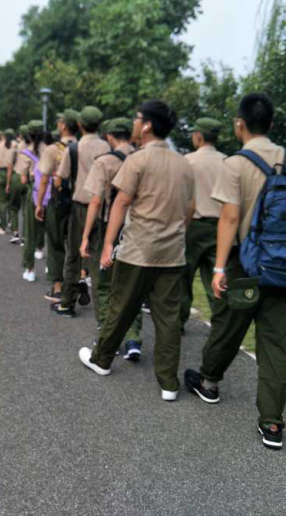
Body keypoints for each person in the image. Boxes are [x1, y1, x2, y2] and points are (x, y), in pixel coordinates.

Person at [185, 93, 286, 450]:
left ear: (239, 124)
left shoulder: (236, 163)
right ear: (270, 123)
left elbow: (229, 218)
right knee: (276, 342)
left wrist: (218, 267)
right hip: (281, 264)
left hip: (245, 262)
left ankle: (209, 382)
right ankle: (272, 422)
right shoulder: (284, 156)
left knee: (229, 325)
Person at [79, 100, 195, 402]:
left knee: (121, 307)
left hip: (138, 251)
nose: (133, 122)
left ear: (147, 126)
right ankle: (169, 383)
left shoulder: (138, 160)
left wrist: (108, 242)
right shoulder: (184, 163)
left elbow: (121, 202)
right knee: (168, 319)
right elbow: (190, 209)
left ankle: (102, 359)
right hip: (172, 253)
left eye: (137, 117)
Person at [80, 118, 143, 360]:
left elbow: (95, 201)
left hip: (109, 227)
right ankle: (133, 338)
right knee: (131, 286)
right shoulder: (143, 159)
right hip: (137, 227)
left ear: (109, 137)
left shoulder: (104, 162)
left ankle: (109, 337)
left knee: (104, 283)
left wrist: (85, 236)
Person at [51, 106, 110, 317]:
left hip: (80, 207)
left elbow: (60, 179)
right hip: (104, 207)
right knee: (99, 257)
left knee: (74, 255)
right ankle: (103, 314)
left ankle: (67, 302)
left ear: (80, 125)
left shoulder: (74, 148)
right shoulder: (108, 147)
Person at [180, 118, 226, 333]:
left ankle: (178, 321)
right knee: (216, 279)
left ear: (198, 135)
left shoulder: (187, 160)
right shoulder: (227, 161)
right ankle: (221, 326)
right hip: (220, 226)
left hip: (193, 225)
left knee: (184, 277)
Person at [35, 109, 79, 302]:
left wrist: (39, 204)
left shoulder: (53, 150)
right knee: (76, 244)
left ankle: (58, 287)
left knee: (55, 243)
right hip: (80, 201)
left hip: (59, 200)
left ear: (63, 126)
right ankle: (77, 282)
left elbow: (44, 179)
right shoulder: (83, 147)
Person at [20, 120, 47, 282]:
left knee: (30, 231)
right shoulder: (53, 149)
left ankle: (30, 269)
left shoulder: (25, 153)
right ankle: (51, 266)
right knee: (51, 231)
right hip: (50, 194)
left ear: (29, 135)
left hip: (35, 192)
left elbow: (23, 179)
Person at [7, 125, 30, 244]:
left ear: (20, 134)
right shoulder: (34, 146)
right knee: (27, 209)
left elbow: (10, 166)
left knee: (14, 207)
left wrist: (8, 183)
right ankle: (25, 237)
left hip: (17, 176)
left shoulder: (16, 147)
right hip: (29, 179)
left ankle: (15, 232)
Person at [0, 130, 17, 234]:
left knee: (1, 201)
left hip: (1, 173)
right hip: (13, 173)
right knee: (12, 201)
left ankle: (2, 227)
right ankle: (12, 224)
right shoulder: (15, 145)